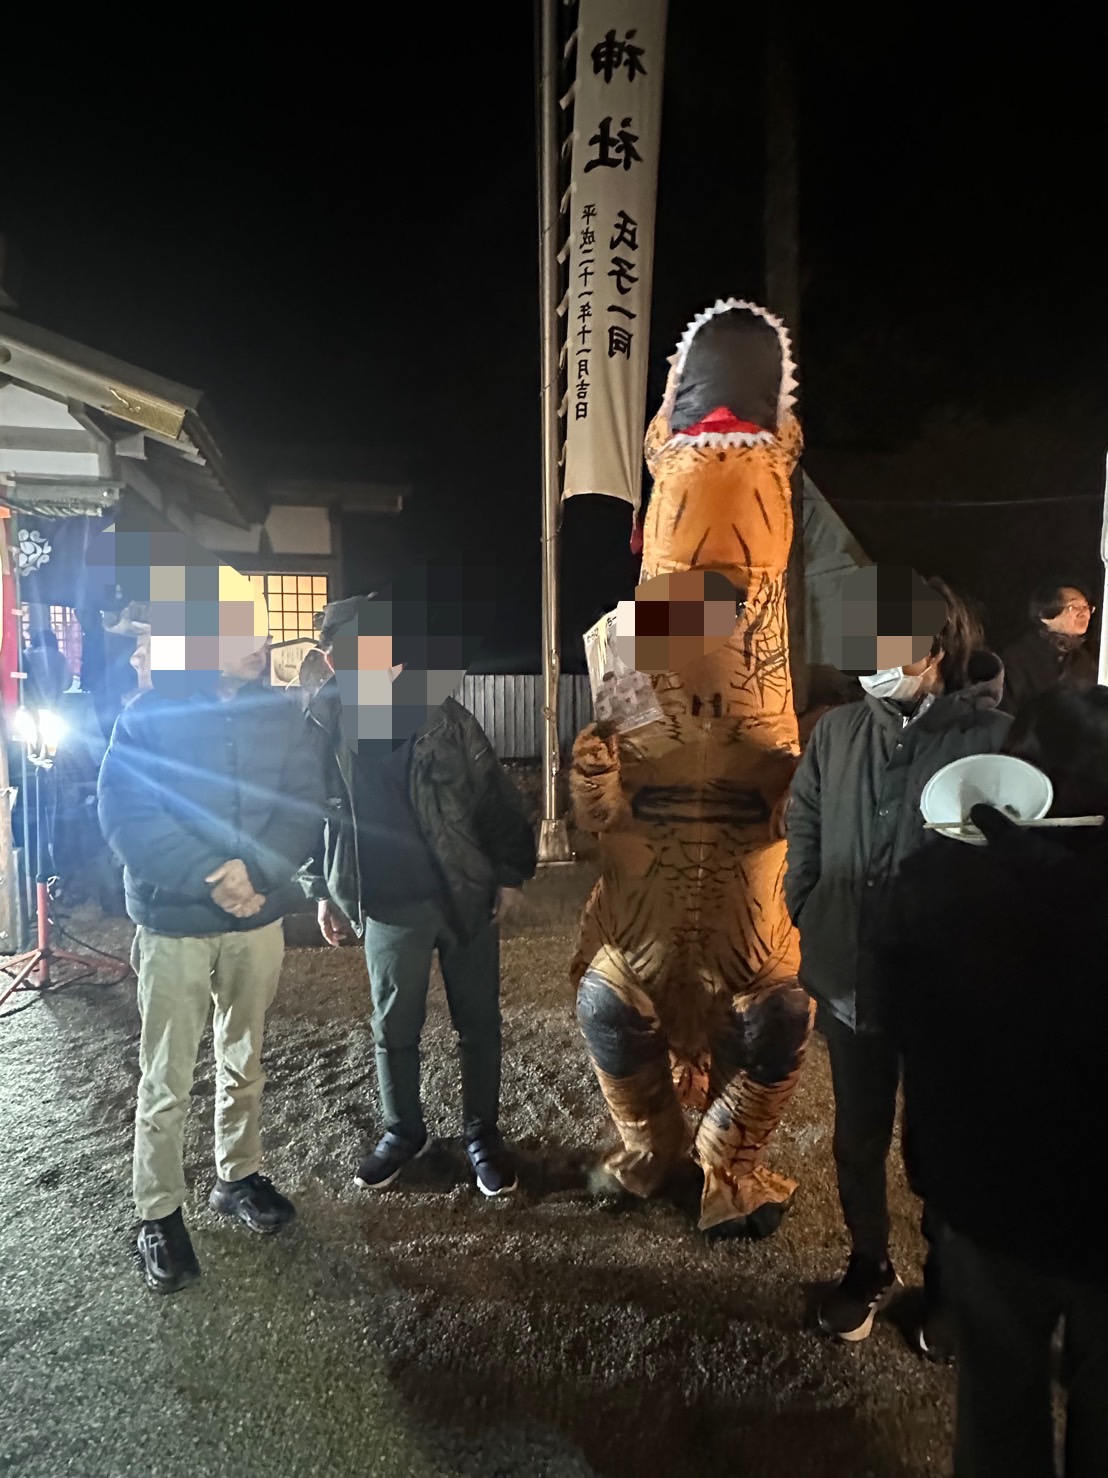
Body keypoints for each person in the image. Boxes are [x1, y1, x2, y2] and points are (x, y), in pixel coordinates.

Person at [784, 574, 1011, 1355]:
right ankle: (868, 1264)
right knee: (858, 1137)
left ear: (936, 646)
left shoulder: (995, 739)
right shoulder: (838, 732)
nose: (871, 661)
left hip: (949, 988)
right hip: (851, 975)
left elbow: (1020, 859)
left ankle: (949, 1282)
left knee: (942, 1141)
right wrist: (807, 904)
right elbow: (804, 824)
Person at [892, 687, 1108, 1477]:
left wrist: (930, 1169)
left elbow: (916, 1035)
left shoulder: (936, 883)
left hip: (991, 1205)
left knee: (998, 1412)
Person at [98, 627, 324, 1295]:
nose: (260, 642)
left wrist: (256, 875)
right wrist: (214, 874)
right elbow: (127, 815)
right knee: (166, 1073)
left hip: (255, 917)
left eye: (259, 630)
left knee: (245, 1055)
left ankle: (238, 1174)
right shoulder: (150, 715)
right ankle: (157, 1212)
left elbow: (304, 803)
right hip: (175, 921)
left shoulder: (280, 713)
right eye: (240, 632)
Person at [302, 594, 537, 1198]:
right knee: (394, 1026)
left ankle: (482, 1134)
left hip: (464, 894)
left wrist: (510, 875)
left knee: (478, 1021)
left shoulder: (443, 717)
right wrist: (322, 890)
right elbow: (310, 814)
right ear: (333, 663)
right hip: (385, 903)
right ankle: (403, 1131)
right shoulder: (324, 724)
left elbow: (494, 797)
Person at [999, 578, 1097, 715]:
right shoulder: (1016, 659)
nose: (1084, 613)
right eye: (1074, 607)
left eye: (1087, 607)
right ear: (1045, 615)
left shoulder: (1084, 660)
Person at [23, 627, 72, 707]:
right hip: (54, 702)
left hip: (29, 701)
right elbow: (68, 683)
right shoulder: (58, 657)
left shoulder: (27, 655)